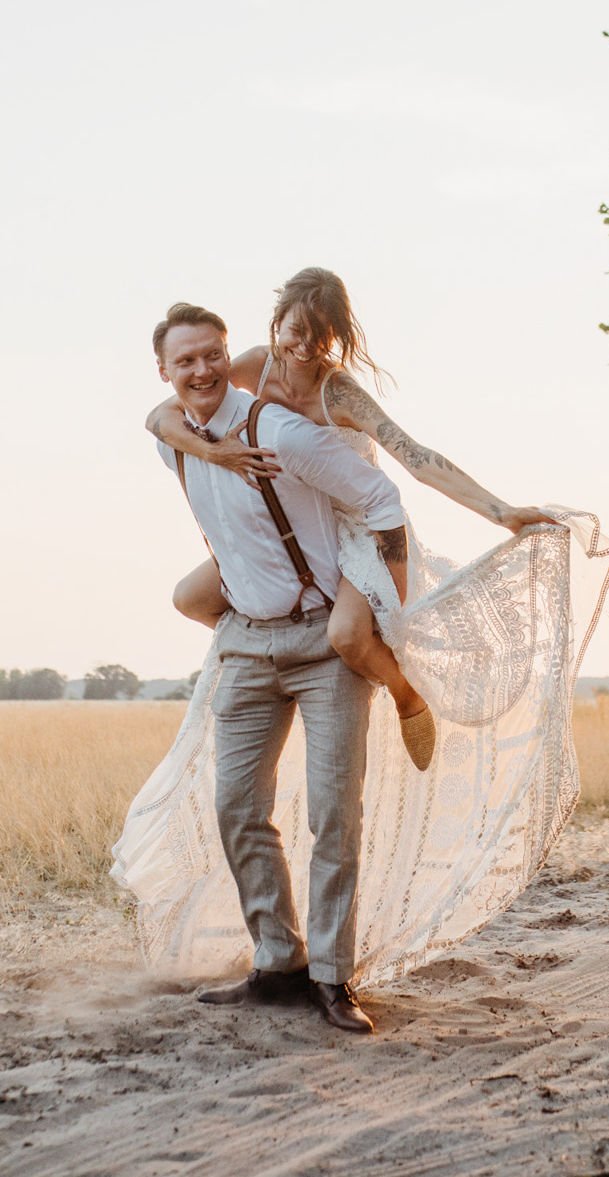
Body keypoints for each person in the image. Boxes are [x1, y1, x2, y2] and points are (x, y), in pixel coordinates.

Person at [146, 266, 556, 771]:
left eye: (320, 338)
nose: (303, 349)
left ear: (336, 337)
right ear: (277, 323)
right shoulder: (254, 364)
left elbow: (415, 458)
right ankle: (278, 658)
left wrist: (501, 511)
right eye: (296, 332)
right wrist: (216, 455)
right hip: (292, 520)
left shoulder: (337, 392)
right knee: (189, 597)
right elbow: (161, 417)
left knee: (347, 635)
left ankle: (407, 695)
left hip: (359, 521)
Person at [148, 300, 396, 1033]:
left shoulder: (282, 429)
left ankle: (331, 977)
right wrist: (210, 449)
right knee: (237, 810)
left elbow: (381, 496)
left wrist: (385, 601)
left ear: (234, 354)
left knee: (332, 815)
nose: (201, 370)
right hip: (248, 646)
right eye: (184, 360)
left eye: (211, 355)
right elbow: (156, 421)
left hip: (325, 644)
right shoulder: (171, 438)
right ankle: (276, 961)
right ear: (164, 371)